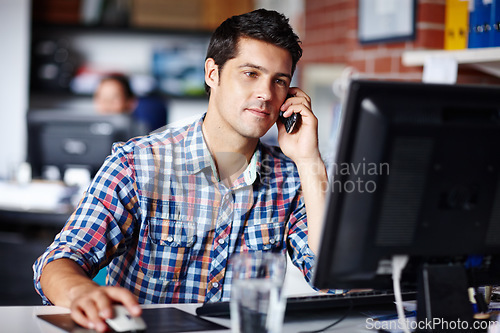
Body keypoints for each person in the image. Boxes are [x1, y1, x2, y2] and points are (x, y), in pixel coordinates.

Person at [33, 8, 328, 332]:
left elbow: (327, 277)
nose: (266, 93)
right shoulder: (137, 163)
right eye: (250, 73)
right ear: (212, 74)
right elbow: (59, 260)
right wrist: (81, 292)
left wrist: (309, 160)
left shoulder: (290, 178)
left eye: (279, 81)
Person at [94, 74, 167, 132]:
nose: (107, 103)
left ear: (130, 102)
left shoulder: (140, 134)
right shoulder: (89, 129)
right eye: (102, 98)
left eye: (115, 98)